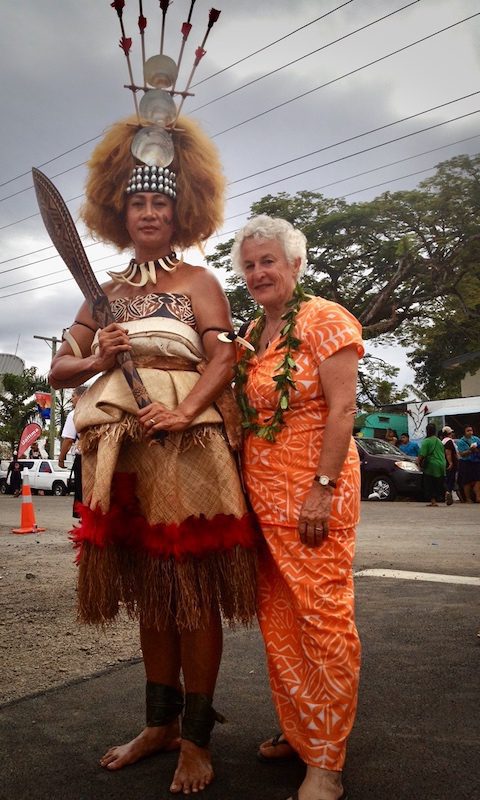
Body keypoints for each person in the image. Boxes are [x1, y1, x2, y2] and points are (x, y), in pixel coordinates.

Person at [48, 114, 258, 794]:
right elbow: (58, 368)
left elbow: (225, 355)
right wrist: (94, 358)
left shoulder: (199, 281)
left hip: (190, 450)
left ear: (178, 211)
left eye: (159, 203)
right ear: (122, 212)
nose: (147, 212)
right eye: (137, 202)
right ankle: (159, 724)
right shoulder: (102, 292)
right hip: (123, 457)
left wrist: (188, 407)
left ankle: (196, 740)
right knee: (152, 596)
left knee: (192, 593)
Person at [231, 215, 364, 800]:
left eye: (269, 262)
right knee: (280, 619)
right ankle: (300, 730)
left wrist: (323, 486)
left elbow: (341, 411)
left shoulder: (325, 319)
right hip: (263, 500)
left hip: (315, 494)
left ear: (296, 265)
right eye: (250, 264)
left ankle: (327, 764)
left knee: (322, 616)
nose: (259, 272)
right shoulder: (256, 332)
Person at [58, 385, 88, 518]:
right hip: (103, 457)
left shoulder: (75, 413)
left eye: (73, 396)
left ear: (81, 397)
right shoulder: (100, 409)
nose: (72, 400)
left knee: (82, 492)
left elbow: (69, 439)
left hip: (84, 459)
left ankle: (86, 525)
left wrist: (61, 458)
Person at [418, 424, 446, 506]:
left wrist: (418, 463)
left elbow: (422, 454)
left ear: (427, 431)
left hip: (432, 464)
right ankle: (447, 492)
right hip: (442, 463)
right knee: (440, 482)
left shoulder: (426, 441)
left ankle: (433, 501)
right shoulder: (439, 441)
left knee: (429, 483)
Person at [456, 424, 480, 503]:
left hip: (476, 462)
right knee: (467, 481)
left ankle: (477, 496)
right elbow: (462, 454)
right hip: (466, 462)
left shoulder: (476, 439)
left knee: (478, 479)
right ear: (464, 432)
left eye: (471, 430)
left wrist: (476, 450)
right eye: (468, 431)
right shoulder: (461, 441)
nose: (470, 432)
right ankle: (468, 498)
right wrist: (470, 450)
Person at [441, 426, 458, 506]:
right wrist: (450, 462)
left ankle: (448, 494)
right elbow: (448, 453)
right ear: (449, 433)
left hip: (444, 463)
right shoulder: (449, 442)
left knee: (447, 478)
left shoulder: (442, 441)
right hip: (450, 464)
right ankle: (448, 493)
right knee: (450, 479)